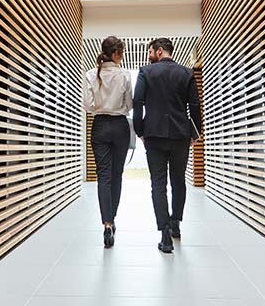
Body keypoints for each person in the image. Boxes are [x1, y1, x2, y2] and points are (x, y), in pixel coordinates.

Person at [132, 37, 201, 253]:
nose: (149, 55)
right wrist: (195, 133)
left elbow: (137, 103)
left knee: (158, 184)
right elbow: (195, 105)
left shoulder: (146, 72)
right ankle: (176, 224)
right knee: (178, 181)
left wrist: (140, 130)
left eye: (151, 51)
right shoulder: (186, 73)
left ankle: (165, 235)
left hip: (154, 136)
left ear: (160, 51)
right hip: (181, 135)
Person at [83, 36, 133, 248]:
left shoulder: (90, 74)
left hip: (100, 125)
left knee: (103, 176)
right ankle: (112, 219)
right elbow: (129, 104)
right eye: (121, 52)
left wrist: (101, 109)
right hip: (120, 126)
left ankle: (106, 224)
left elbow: (88, 105)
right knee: (117, 175)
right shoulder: (124, 75)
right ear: (116, 54)